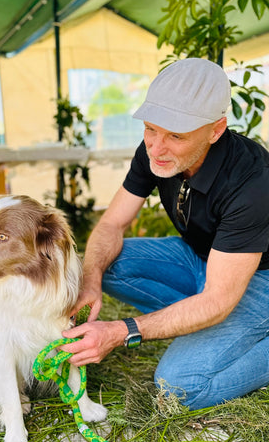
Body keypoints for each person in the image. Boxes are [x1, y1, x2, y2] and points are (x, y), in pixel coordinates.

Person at [62, 58, 269, 410]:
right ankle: (208, 327)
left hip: (258, 281)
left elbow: (219, 298)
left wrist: (121, 330)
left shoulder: (253, 182)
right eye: (151, 129)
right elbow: (111, 225)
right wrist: (90, 280)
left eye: (176, 135)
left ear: (216, 130)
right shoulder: (155, 150)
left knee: (178, 386)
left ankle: (239, 331)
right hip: (202, 260)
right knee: (104, 261)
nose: (157, 147)